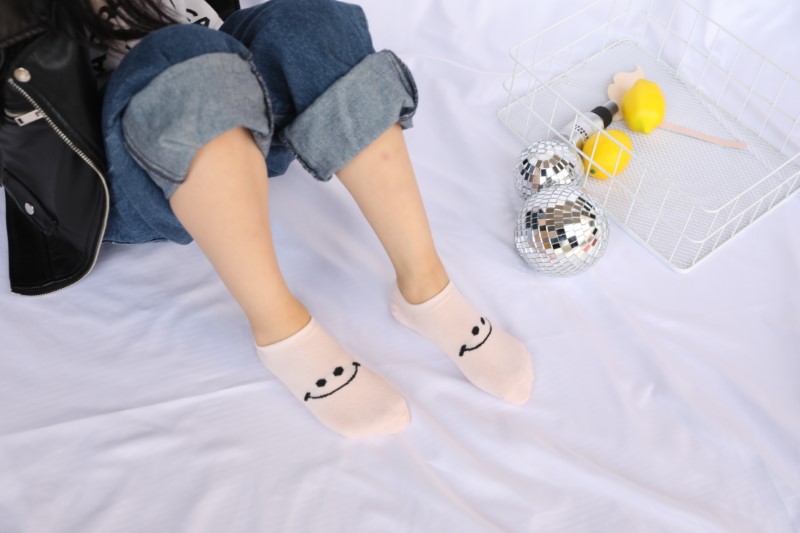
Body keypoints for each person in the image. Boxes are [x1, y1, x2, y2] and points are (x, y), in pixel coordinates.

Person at [27, 0, 535, 438]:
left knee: (310, 23)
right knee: (182, 55)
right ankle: (283, 334)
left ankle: (427, 289)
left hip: (235, 107)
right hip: (113, 179)